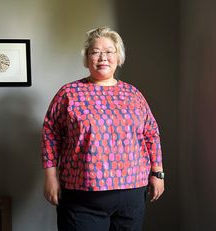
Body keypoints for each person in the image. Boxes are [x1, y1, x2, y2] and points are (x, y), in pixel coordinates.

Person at [41, 26, 164, 231]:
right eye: (95, 52)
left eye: (109, 51)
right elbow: (50, 134)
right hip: (82, 196)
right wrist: (50, 177)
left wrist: (158, 173)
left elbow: (151, 133)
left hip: (131, 195)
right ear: (87, 58)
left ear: (118, 57)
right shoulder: (69, 93)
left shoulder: (133, 94)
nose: (102, 57)